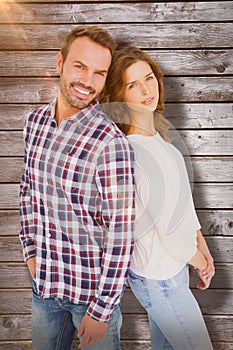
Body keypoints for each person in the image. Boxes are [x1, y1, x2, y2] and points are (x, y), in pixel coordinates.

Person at [19, 26, 135, 350]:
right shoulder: (35, 123)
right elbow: (28, 192)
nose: (87, 81)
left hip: (92, 298)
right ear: (60, 63)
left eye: (99, 73)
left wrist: (101, 310)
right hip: (44, 289)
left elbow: (121, 233)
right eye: (79, 67)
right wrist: (31, 254)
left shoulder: (112, 143)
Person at [100, 46, 215, 349]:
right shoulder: (137, 150)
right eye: (132, 85)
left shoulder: (161, 142)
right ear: (120, 97)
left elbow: (182, 204)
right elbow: (168, 227)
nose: (146, 89)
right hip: (159, 279)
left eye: (148, 78)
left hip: (172, 271)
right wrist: (197, 259)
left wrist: (202, 246)